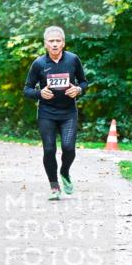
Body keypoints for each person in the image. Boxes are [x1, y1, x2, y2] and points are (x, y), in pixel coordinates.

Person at [23, 26, 89, 200]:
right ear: (45, 44)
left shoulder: (73, 60)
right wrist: (39, 93)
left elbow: (84, 83)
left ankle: (64, 171)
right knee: (49, 149)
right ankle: (54, 187)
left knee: (69, 148)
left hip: (68, 113)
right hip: (47, 113)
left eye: (57, 41)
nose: (54, 44)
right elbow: (27, 89)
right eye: (51, 41)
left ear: (63, 43)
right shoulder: (38, 64)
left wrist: (78, 90)